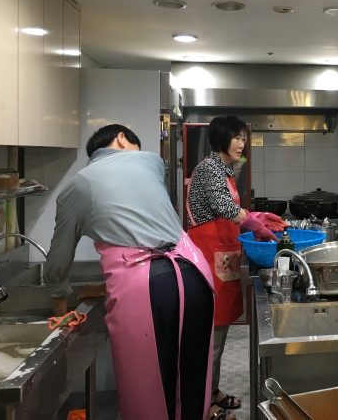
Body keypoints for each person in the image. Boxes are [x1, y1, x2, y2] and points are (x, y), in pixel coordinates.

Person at [45, 124, 216, 420]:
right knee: (192, 380)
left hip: (144, 286)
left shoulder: (78, 185)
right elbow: (147, 230)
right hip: (194, 273)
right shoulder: (152, 164)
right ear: (122, 139)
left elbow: (58, 262)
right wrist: (105, 286)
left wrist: (61, 310)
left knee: (148, 391)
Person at [186, 115, 284, 420]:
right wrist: (254, 220)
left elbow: (231, 212)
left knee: (219, 332)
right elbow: (224, 208)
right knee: (209, 338)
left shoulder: (224, 169)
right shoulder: (209, 168)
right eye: (236, 137)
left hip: (221, 258)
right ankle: (203, 405)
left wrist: (257, 218)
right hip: (207, 260)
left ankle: (211, 391)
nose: (242, 143)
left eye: (244, 138)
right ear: (220, 139)